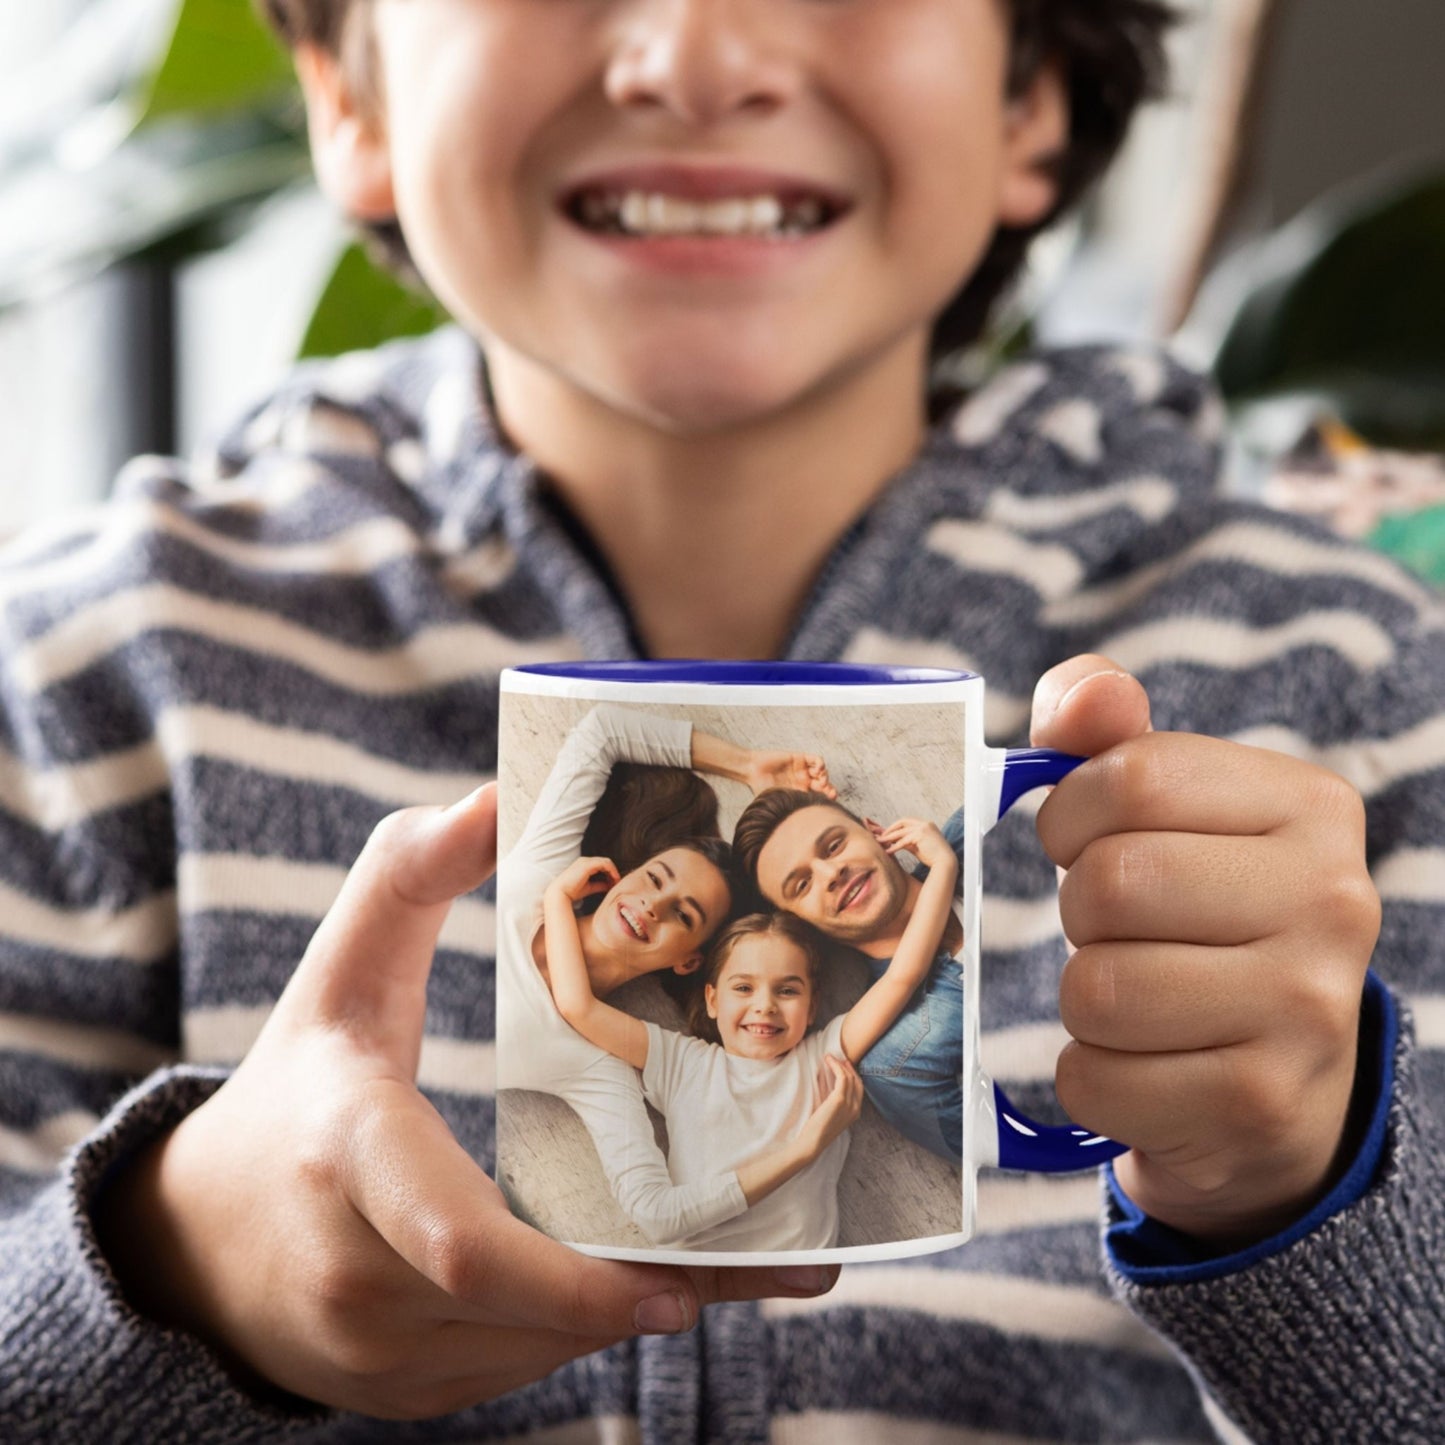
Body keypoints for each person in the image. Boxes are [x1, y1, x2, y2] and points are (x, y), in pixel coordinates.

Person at [0, 0, 1440, 1439]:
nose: (694, 62)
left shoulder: (1355, 687)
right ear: (345, 95)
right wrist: (160, 1260)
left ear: (1034, 92)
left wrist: (1313, 1191)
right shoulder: (77, 686)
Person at [494, 700, 833, 1244]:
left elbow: (656, 1213)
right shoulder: (542, 869)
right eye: (655, 878)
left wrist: (804, 1150)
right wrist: (745, 765)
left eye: (684, 913)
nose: (653, 905)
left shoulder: (597, 1066)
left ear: (688, 960)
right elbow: (602, 731)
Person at [542, 815, 955, 1251]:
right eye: (743, 987)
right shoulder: (679, 1061)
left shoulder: (823, 1058)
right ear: (712, 999)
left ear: (812, 1005)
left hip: (799, 1285)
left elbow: (901, 976)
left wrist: (943, 865)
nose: (765, 1005)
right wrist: (557, 897)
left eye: (788, 990)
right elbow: (578, 1005)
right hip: (697, 1279)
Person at [733, 791, 968, 1163]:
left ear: (874, 831)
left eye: (833, 846)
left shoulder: (983, 823)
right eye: (802, 885)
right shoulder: (899, 1063)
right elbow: (1017, 1164)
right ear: (802, 928)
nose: (831, 873)